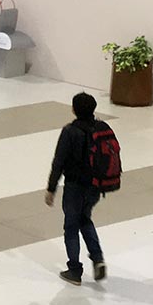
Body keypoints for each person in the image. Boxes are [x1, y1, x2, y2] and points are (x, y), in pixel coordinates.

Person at [45, 92, 107, 286]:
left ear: (74, 109)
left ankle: (74, 269)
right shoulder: (100, 128)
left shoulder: (70, 131)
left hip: (75, 186)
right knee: (84, 218)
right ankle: (97, 258)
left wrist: (51, 188)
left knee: (71, 226)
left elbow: (59, 162)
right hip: (95, 186)